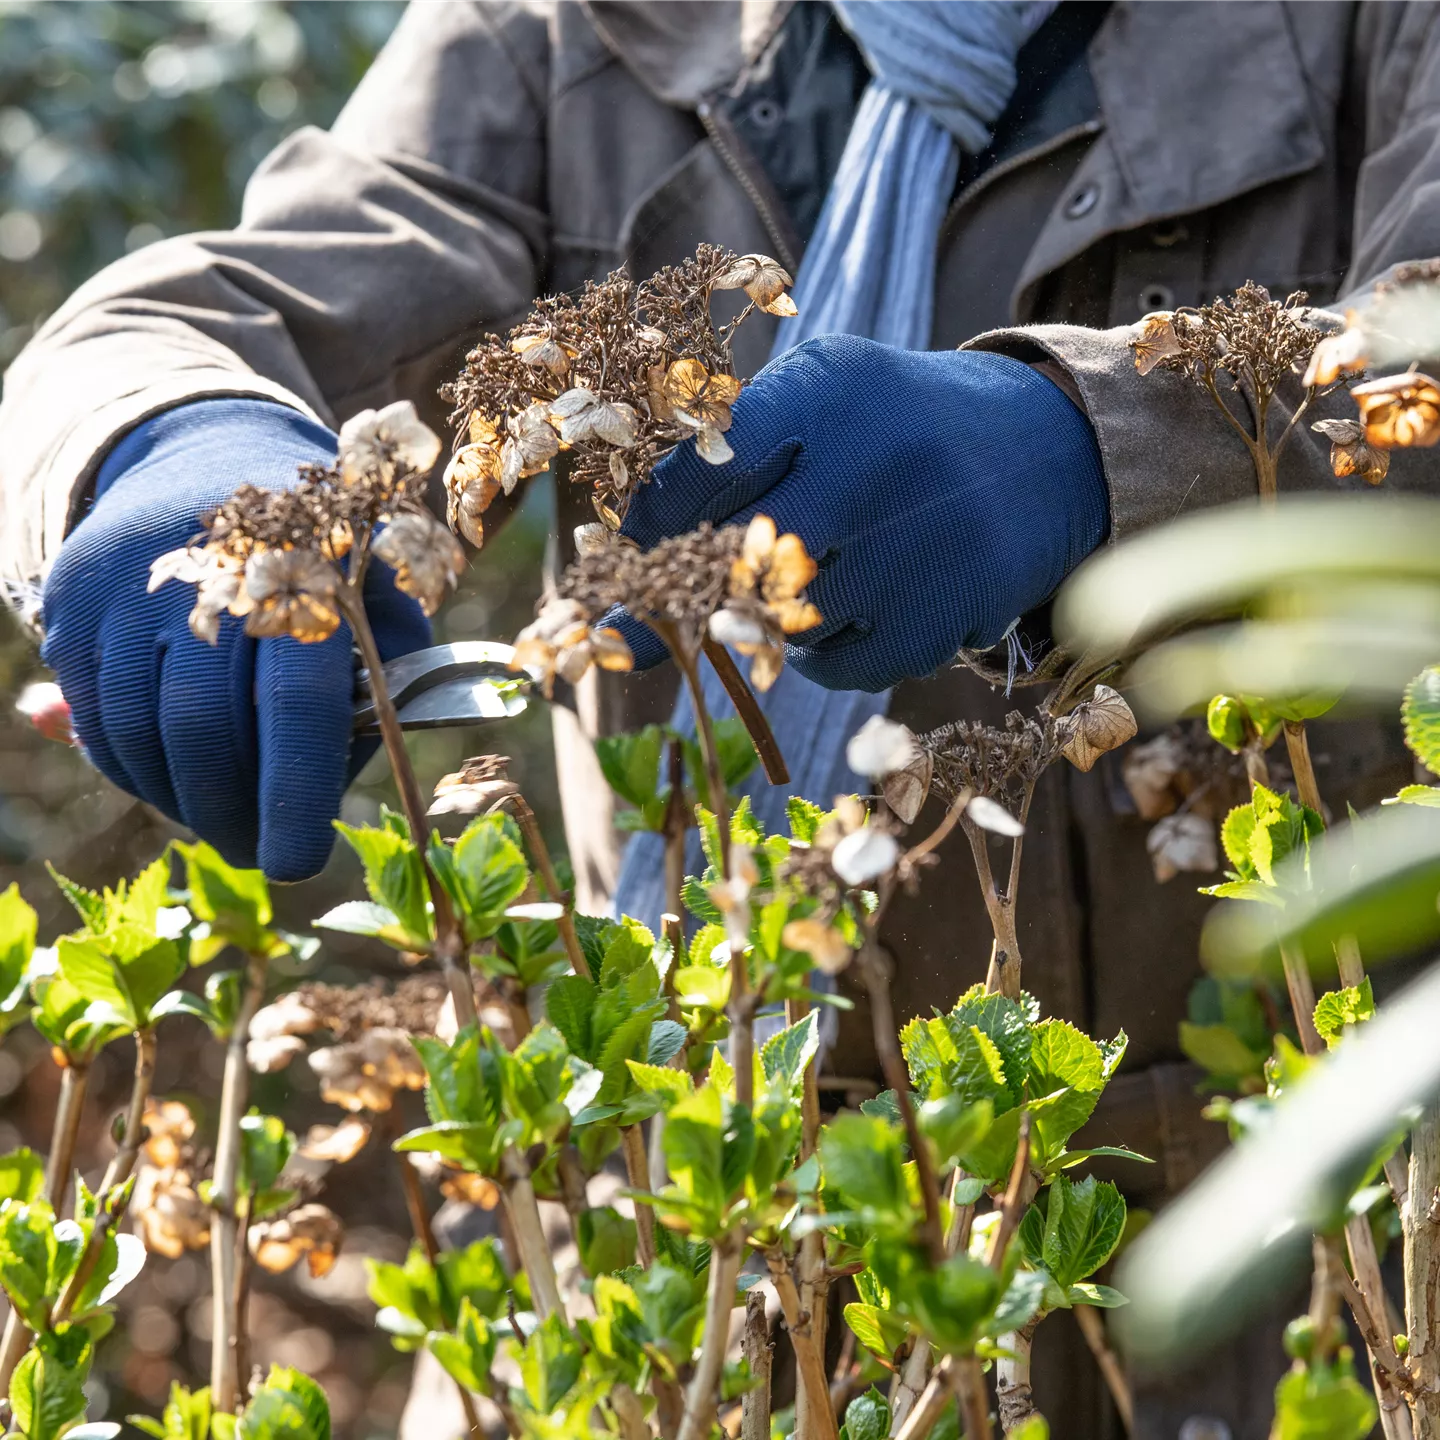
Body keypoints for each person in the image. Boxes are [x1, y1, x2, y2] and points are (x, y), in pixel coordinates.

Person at [4, 0, 1438, 1431]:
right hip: (661, 1263)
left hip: (1299, 1272)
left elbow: (1414, 357)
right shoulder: (573, 32)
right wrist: (170, 445)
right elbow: (186, 315)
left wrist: (1104, 441)